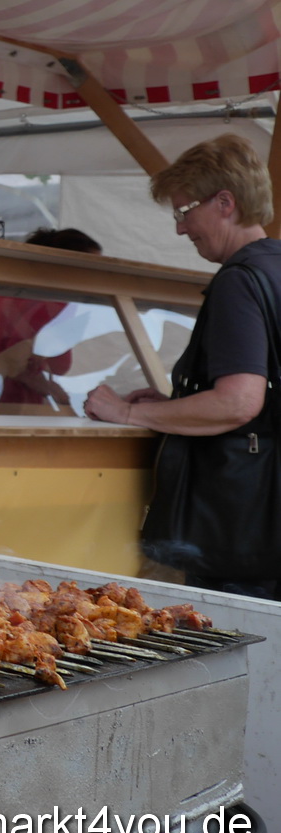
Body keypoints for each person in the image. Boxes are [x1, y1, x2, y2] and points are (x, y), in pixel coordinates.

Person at [87, 135, 281, 599]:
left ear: (225, 202)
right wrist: (180, 406)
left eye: (183, 211)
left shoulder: (239, 281)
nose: (180, 228)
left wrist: (129, 414)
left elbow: (239, 402)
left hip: (241, 527)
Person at [0, 228, 102, 413]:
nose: (97, 276)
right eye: (91, 269)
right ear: (67, 268)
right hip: (3, 406)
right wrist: (64, 398)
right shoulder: (51, 304)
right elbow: (20, 366)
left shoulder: (4, 291)